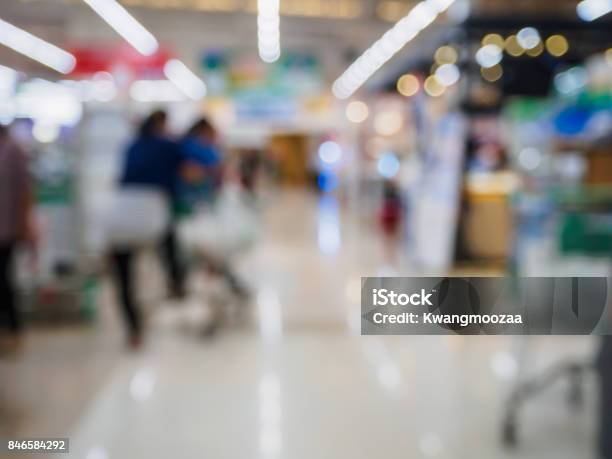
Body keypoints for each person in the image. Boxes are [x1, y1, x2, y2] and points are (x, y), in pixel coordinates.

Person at [112, 110, 186, 348]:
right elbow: (197, 159)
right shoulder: (167, 145)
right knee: (171, 250)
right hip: (153, 212)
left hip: (123, 212)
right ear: (161, 125)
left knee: (124, 274)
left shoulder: (132, 146)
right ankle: (176, 285)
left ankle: (133, 328)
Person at [0, 124, 35, 352]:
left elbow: (25, 191)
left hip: (7, 229)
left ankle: (13, 330)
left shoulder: (13, 151)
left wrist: (25, 226)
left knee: (4, 281)